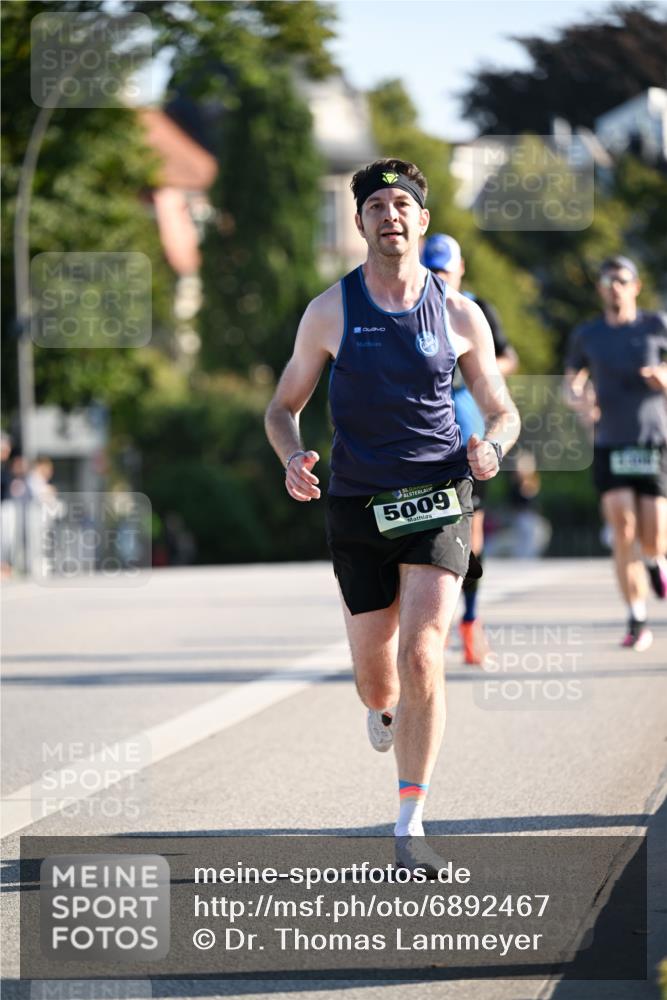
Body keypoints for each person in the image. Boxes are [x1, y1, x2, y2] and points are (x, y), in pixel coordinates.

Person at [265, 158, 520, 875]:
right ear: (360, 224)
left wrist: (491, 449)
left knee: (422, 653)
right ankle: (381, 713)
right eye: (375, 206)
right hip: (356, 503)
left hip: (440, 498)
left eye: (401, 205)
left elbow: (501, 411)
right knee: (378, 680)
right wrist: (291, 457)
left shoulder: (460, 312)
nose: (389, 215)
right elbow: (282, 407)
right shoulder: (329, 310)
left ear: (422, 220)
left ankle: (410, 823)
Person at [422, 234, 518, 664]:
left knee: (469, 543)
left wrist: (475, 366)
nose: (440, 279)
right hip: (423, 447)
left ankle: (471, 621)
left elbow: (508, 356)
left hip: (471, 439)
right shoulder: (409, 309)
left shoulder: (475, 310)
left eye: (446, 271)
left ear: (460, 270)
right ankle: (431, 627)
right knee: (425, 540)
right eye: (433, 270)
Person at [564, 255, 667, 651]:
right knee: (623, 530)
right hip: (610, 442)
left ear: (635, 286)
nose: (614, 287)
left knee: (653, 535)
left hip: (651, 441)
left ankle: (657, 563)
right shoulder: (588, 335)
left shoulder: (656, 326)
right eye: (607, 281)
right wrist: (577, 398)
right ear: (600, 290)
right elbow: (572, 380)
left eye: (621, 280)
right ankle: (637, 619)